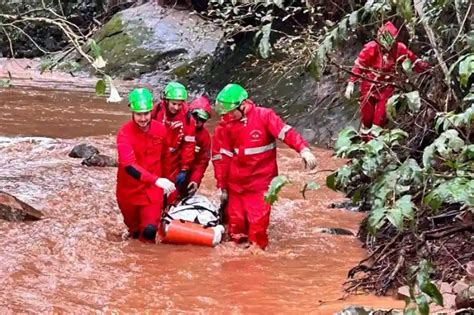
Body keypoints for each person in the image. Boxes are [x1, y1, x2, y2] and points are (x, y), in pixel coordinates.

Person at [215, 83, 318, 251]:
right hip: (236, 185)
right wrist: (222, 186)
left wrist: (303, 150)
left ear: (243, 105)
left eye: (231, 112)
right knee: (236, 232)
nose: (229, 116)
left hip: (260, 184)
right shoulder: (226, 125)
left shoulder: (264, 116)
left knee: (257, 233)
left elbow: (286, 133)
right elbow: (222, 159)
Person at [345, 21, 430, 140]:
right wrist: (351, 82)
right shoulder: (371, 48)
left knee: (379, 119)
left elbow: (412, 60)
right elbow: (359, 65)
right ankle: (364, 140)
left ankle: (373, 143)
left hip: (386, 88)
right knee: (367, 118)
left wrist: (428, 68)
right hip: (369, 85)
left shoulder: (399, 49)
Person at [116, 88, 176, 243]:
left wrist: (169, 186)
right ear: (132, 113)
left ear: (151, 111)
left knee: (149, 231)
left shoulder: (161, 130)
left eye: (146, 114)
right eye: (139, 114)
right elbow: (129, 165)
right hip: (128, 192)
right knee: (135, 233)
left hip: (152, 191)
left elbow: (166, 159)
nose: (143, 118)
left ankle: (149, 263)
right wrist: (156, 180)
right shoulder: (124, 134)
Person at [151, 82, 196, 203]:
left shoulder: (188, 118)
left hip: (174, 161)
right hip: (155, 157)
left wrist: (184, 168)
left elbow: (189, 145)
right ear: (166, 100)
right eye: (173, 104)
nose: (176, 107)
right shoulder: (156, 111)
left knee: (171, 194)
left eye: (179, 104)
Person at [185, 96, 212, 196]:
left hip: (188, 177)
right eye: (195, 116)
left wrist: (195, 180)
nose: (197, 121)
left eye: (201, 119)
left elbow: (202, 162)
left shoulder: (204, 137)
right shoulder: (178, 127)